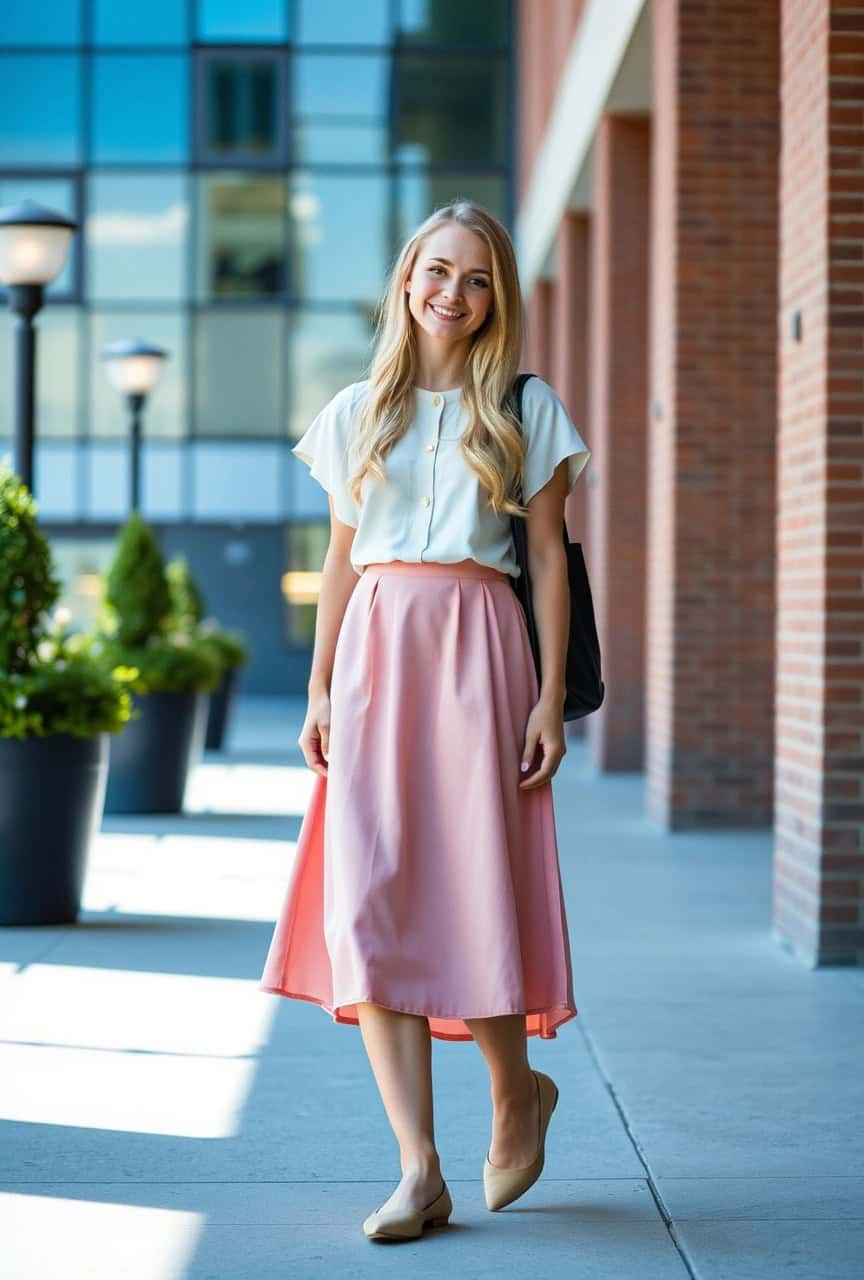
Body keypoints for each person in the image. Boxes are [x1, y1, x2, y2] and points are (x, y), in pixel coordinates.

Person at [259, 200, 591, 1242]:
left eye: (478, 277)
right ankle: (418, 1167)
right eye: (438, 270)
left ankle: (514, 1089)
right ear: (407, 281)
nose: (454, 291)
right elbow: (343, 558)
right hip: (373, 659)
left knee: (474, 888)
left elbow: (545, 559)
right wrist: (317, 687)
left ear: (499, 299)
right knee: (369, 901)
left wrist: (547, 697)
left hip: (480, 650)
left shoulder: (525, 410)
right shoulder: (358, 409)